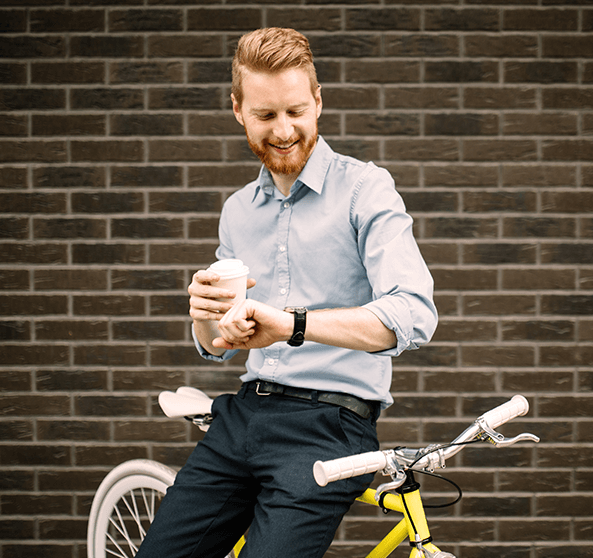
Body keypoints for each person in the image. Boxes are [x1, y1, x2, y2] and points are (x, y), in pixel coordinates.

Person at [136, 27, 437, 558]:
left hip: (330, 427)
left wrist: (293, 324)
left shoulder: (365, 190)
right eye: (265, 115)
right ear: (238, 110)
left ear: (318, 102)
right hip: (242, 416)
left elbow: (412, 313)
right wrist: (207, 319)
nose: (283, 130)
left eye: (296, 111)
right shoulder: (237, 210)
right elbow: (217, 343)